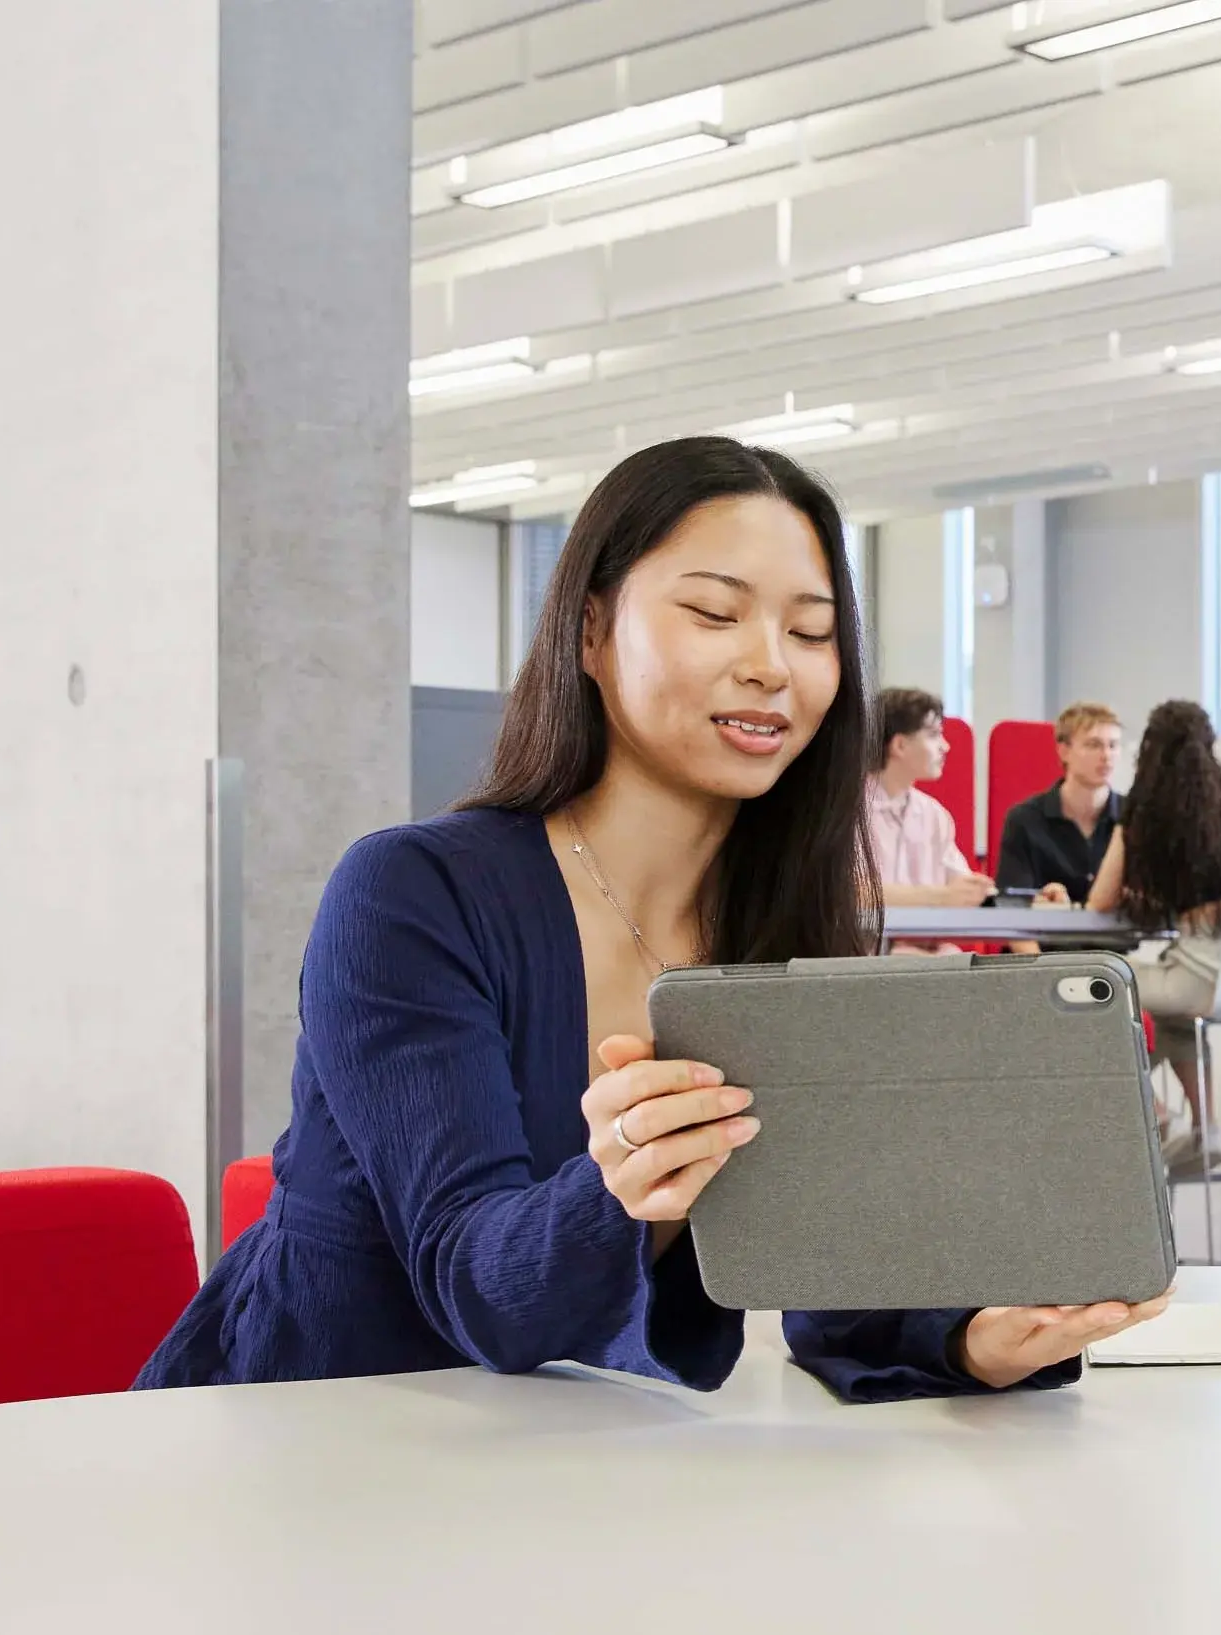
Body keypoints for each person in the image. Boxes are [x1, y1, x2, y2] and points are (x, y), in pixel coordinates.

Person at [139, 436, 1164, 1398]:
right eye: (716, 614)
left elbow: (833, 1281)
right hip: (313, 1445)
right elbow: (478, 1289)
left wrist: (975, 1342)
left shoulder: (784, 930)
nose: (771, 662)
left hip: (594, 1476)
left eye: (810, 632)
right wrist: (615, 1187)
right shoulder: (412, 896)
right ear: (591, 630)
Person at [1085, 701, 1221, 1164]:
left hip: (1209, 977)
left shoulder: (1146, 810)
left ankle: (1154, 1108)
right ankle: (1204, 1130)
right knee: (1173, 1014)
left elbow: (1100, 900)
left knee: (1105, 979)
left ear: (1149, 752)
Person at [867, 685, 993, 909]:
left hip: (929, 944)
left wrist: (1032, 900)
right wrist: (941, 897)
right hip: (866, 944)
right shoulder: (848, 812)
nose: (945, 746)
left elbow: (962, 887)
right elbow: (850, 894)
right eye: (933, 735)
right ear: (900, 745)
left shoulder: (934, 815)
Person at [996, 701, 1123, 904]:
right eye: (1093, 745)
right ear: (1064, 751)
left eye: (1113, 745)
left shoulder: (1135, 819)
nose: (1106, 756)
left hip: (1124, 935)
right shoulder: (1025, 820)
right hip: (1047, 934)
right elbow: (1012, 907)